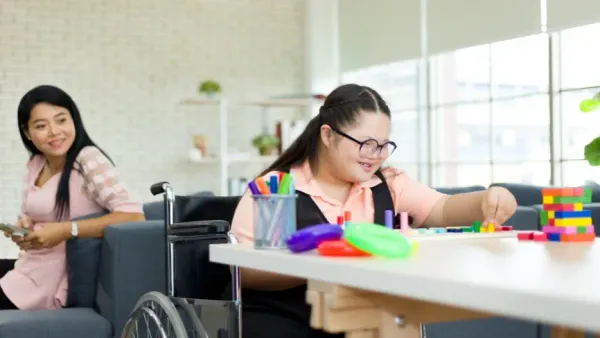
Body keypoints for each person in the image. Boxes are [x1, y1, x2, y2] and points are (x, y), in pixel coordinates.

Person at [230, 83, 518, 338]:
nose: (375, 155)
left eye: (383, 146)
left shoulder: (388, 184)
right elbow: (244, 271)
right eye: (366, 144)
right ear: (328, 136)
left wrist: (487, 199)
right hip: (282, 321)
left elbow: (441, 209)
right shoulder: (278, 188)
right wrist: (319, 258)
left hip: (361, 317)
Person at [0, 85, 145, 311]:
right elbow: (31, 215)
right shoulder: (36, 164)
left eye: (61, 120)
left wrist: (66, 230)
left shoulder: (87, 160)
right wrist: (24, 228)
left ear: (74, 120)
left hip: (52, 281)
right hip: (30, 268)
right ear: (27, 133)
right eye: (41, 126)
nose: (55, 132)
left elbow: (134, 217)